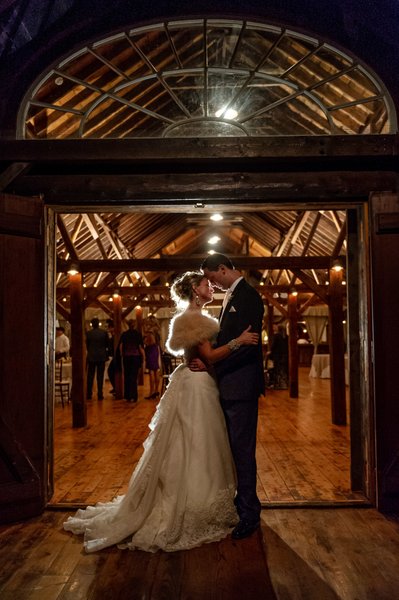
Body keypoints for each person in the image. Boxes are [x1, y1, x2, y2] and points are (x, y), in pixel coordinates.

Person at [63, 271, 259, 553]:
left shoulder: (189, 317)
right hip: (196, 387)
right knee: (196, 444)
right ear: (194, 290)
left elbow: (203, 357)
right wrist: (240, 340)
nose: (210, 287)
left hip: (193, 381)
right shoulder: (194, 319)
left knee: (193, 443)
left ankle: (197, 495)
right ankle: (194, 501)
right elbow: (211, 356)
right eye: (206, 284)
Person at [200, 253, 264, 540]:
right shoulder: (231, 296)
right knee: (233, 449)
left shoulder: (248, 296)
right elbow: (232, 339)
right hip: (229, 384)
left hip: (241, 385)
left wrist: (212, 361)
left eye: (213, 278)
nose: (214, 284)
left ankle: (250, 513)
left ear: (223, 269)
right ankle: (241, 503)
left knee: (242, 450)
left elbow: (249, 345)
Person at [118, 320, 145, 403]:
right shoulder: (137, 334)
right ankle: (134, 396)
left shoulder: (124, 334)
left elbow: (121, 346)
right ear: (134, 325)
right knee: (134, 377)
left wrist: (122, 355)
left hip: (127, 357)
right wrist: (143, 357)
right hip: (135, 357)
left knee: (127, 376)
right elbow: (140, 347)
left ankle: (128, 396)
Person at [86, 318, 109, 400]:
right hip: (101, 356)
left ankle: (89, 393)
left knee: (90, 376)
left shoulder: (88, 333)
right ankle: (100, 393)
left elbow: (87, 345)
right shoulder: (104, 333)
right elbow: (107, 344)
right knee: (100, 376)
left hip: (91, 356)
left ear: (92, 324)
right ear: (98, 323)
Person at [269, 324, 289, 389]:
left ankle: (277, 384)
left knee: (276, 370)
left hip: (277, 355)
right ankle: (285, 384)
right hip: (285, 355)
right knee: (284, 369)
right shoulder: (286, 336)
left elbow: (273, 346)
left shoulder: (276, 336)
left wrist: (270, 352)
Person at [143, 330, 161, 399]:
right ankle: (156, 390)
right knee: (156, 370)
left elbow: (146, 343)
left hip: (150, 350)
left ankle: (152, 391)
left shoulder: (148, 334)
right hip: (155, 350)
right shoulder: (156, 333)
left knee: (151, 371)